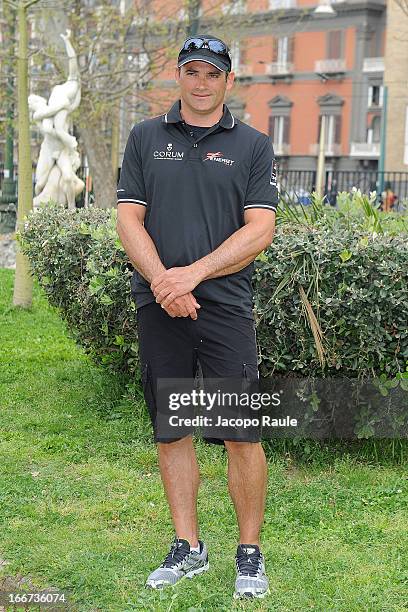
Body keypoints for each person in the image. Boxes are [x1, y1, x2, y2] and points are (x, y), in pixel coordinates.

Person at [116, 35, 278, 600]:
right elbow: (129, 219)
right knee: (173, 430)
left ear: (228, 81)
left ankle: (249, 555)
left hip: (226, 308)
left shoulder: (253, 145)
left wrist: (192, 275)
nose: (201, 82)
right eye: (192, 71)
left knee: (240, 432)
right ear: (179, 77)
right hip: (159, 304)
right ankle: (189, 546)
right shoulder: (144, 137)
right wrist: (165, 281)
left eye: (212, 72)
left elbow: (260, 229)